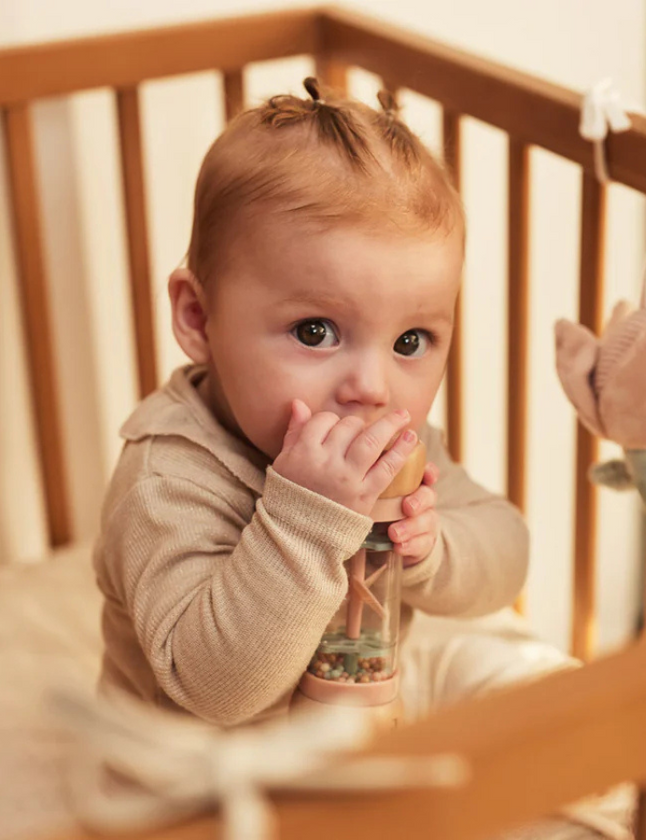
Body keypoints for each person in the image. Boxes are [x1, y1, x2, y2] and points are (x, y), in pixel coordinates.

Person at [93, 78, 570, 728]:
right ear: (200, 318)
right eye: (315, 332)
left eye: (410, 340)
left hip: (353, 744)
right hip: (197, 794)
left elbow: (507, 554)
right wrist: (300, 523)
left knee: (535, 698)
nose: (371, 386)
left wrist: (431, 551)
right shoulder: (165, 480)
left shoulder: (389, 441)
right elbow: (212, 688)